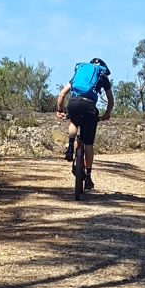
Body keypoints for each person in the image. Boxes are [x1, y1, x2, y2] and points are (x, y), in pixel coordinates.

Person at [57, 57, 114, 190]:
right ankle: (88, 176)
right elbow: (110, 101)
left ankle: (70, 147)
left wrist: (59, 110)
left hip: (74, 103)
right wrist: (107, 114)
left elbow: (62, 94)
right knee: (88, 144)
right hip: (89, 106)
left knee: (73, 122)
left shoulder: (79, 74)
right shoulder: (102, 77)